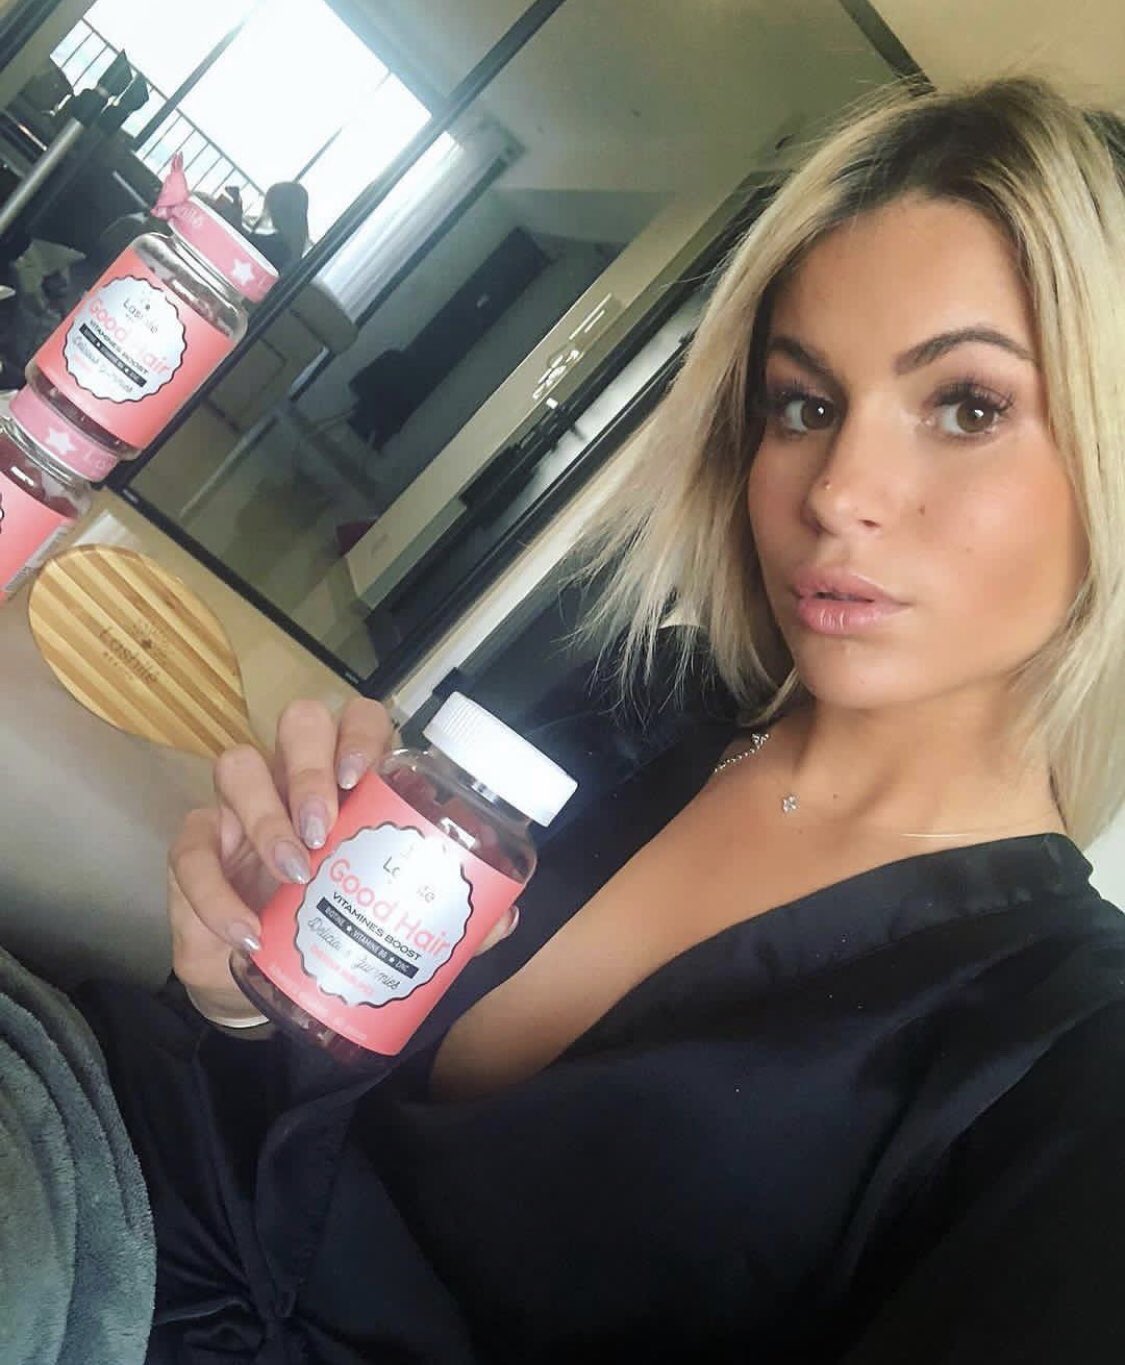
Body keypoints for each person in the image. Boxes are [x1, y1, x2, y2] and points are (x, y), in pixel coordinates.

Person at [73, 75, 1125, 1361]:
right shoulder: (623, 702)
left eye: (969, 406)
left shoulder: (1066, 1055)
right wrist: (248, 987)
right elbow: (280, 1118)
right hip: (102, 1171)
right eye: (804, 405)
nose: (837, 490)